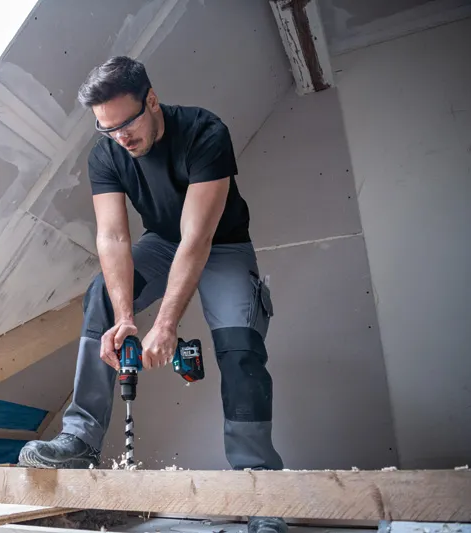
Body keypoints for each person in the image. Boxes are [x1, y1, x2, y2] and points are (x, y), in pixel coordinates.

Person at [18, 56, 286, 533]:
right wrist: (126, 318)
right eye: (107, 129)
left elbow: (198, 240)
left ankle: (259, 484)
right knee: (103, 293)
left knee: (241, 350)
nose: (120, 136)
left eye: (126, 123)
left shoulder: (205, 133)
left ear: (152, 101)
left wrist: (164, 323)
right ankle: (78, 440)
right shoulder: (106, 153)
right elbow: (114, 239)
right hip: (161, 242)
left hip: (220, 242)